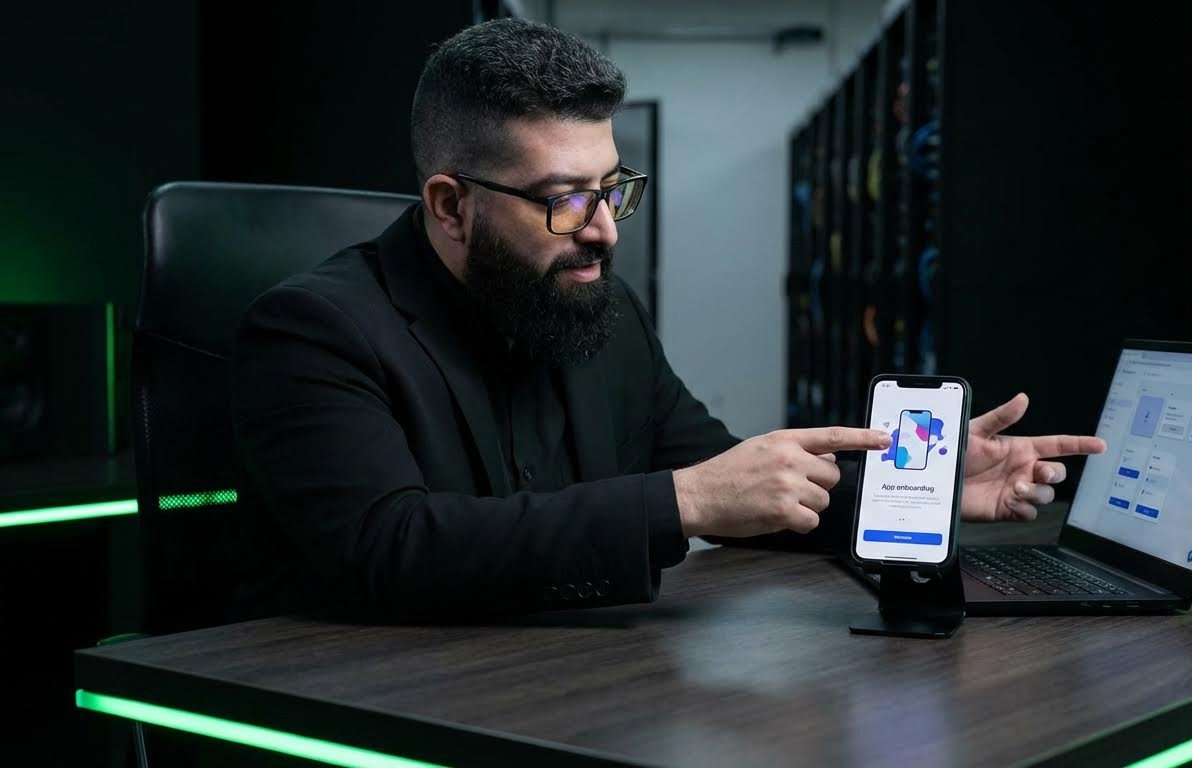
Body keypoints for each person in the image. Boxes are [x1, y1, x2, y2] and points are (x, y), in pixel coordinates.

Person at [229, 18, 1104, 622]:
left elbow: (736, 486)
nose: (605, 230)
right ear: (452, 205)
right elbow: (389, 548)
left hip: (565, 693)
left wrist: (918, 493)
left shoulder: (602, 311)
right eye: (566, 200)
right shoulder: (312, 330)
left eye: (613, 189)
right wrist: (682, 501)